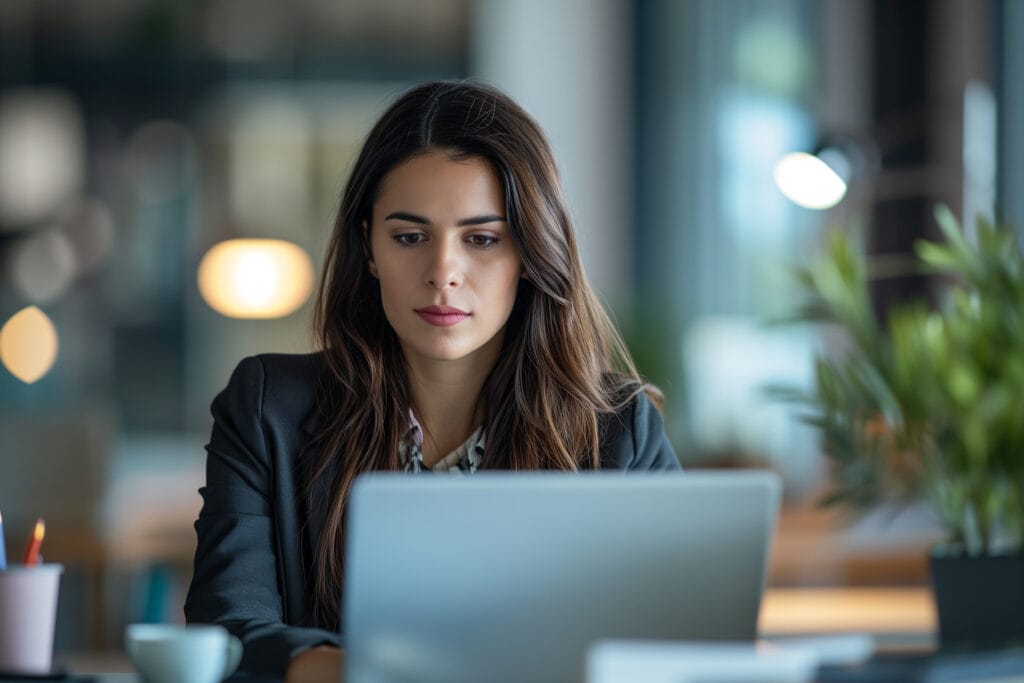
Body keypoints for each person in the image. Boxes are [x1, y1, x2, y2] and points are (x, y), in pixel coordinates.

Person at [184, 80, 681, 683]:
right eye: (410, 237)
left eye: (482, 239)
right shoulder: (267, 409)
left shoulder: (621, 432)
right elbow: (225, 633)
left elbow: (669, 650)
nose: (443, 273)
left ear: (529, 254)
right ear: (369, 247)